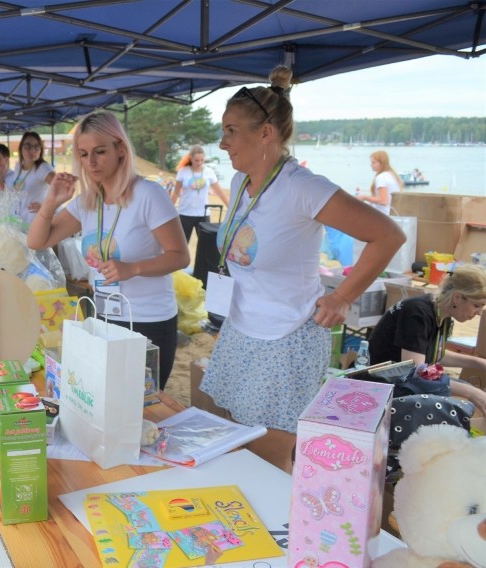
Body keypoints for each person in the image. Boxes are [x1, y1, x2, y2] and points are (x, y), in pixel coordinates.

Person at [199, 67, 405, 472]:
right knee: (237, 441)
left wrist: (343, 296)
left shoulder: (302, 186)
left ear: (265, 134)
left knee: (269, 456)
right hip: (242, 330)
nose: (222, 143)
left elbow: (388, 235)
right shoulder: (244, 182)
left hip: (285, 337)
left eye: (231, 131)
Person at [27, 111, 190, 389]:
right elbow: (37, 241)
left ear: (120, 150)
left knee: (140, 407)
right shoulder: (88, 201)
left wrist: (133, 268)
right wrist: (51, 201)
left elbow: (180, 256)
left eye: (100, 151)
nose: (90, 162)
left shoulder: (148, 195)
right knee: (105, 400)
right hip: (103, 316)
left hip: (147, 320)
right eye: (83, 153)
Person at [368, 264, 486, 415]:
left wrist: (478, 363)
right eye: (477, 305)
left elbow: (434, 353)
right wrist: (472, 393)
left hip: (402, 380)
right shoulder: (417, 313)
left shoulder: (443, 316)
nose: (479, 313)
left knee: (465, 391)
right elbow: (418, 371)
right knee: (462, 400)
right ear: (457, 297)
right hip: (382, 386)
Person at [172, 145, 229, 242]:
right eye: (196, 160)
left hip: (203, 213)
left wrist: (230, 206)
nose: (199, 163)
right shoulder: (183, 172)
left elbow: (219, 191)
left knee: (205, 244)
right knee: (182, 243)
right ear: (191, 158)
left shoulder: (209, 172)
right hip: (185, 213)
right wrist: (168, 210)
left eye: (202, 160)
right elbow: (176, 193)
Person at [13, 131, 55, 225]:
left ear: (41, 150)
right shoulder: (18, 166)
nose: (32, 151)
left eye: (37, 147)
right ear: (21, 148)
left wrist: (46, 207)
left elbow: (61, 190)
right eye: (28, 146)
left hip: (36, 221)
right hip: (20, 221)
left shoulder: (43, 168)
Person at [355, 150, 403, 215]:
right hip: (392, 212)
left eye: (373, 162)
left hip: (382, 215)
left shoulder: (381, 177)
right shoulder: (392, 175)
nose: (371, 165)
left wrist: (364, 197)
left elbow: (383, 201)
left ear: (381, 163)